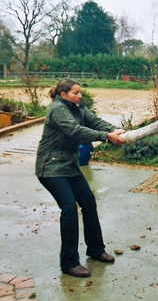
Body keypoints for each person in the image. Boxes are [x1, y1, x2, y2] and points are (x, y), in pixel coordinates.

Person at [35, 78, 125, 278]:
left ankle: (95, 250)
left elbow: (96, 122)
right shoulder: (58, 109)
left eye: (80, 92)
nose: (80, 95)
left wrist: (116, 131)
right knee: (69, 208)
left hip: (69, 165)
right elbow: (75, 131)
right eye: (76, 92)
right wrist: (105, 137)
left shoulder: (78, 108)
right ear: (63, 94)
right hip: (50, 167)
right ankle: (69, 263)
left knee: (88, 203)